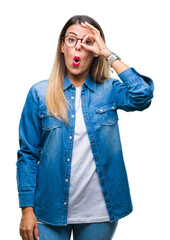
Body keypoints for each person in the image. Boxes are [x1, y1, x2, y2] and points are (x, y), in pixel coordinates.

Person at [16, 15, 154, 240]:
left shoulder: (110, 90)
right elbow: (28, 155)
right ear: (62, 46)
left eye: (87, 42)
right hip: (48, 210)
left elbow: (142, 95)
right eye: (71, 40)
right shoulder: (39, 94)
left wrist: (108, 53)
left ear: (95, 51)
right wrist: (27, 209)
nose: (78, 47)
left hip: (99, 213)